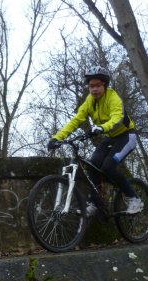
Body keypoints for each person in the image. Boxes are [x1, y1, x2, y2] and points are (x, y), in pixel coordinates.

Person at [47, 65, 144, 215]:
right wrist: (56, 137)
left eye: (98, 85)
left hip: (126, 136)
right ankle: (95, 202)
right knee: (92, 165)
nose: (94, 89)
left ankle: (134, 198)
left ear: (104, 85)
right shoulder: (89, 101)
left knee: (108, 166)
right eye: (91, 86)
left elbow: (117, 118)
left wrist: (101, 128)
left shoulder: (113, 98)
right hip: (110, 137)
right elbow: (76, 120)